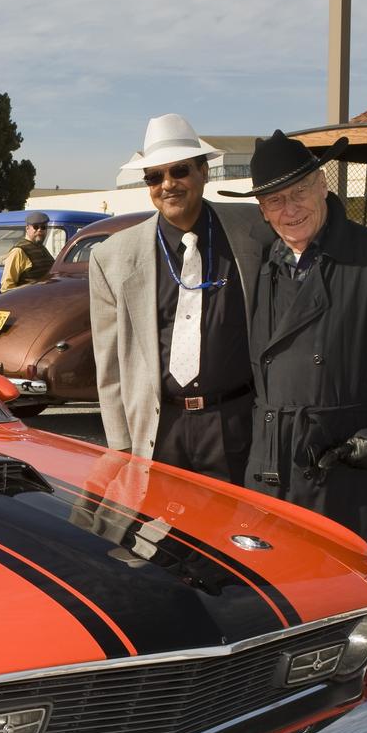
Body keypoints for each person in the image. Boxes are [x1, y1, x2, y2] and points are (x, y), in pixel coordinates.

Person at [220, 129, 367, 733]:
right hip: (273, 467)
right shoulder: (261, 264)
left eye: (295, 193)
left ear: (324, 185)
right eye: (271, 201)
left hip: (350, 466)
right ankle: (290, 731)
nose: (286, 209)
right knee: (282, 609)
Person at [89, 113, 272, 483]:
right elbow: (108, 366)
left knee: (233, 534)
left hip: (234, 424)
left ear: (204, 172)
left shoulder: (255, 231)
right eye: (155, 177)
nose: (168, 184)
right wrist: (121, 445)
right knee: (157, 538)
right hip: (160, 430)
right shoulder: (112, 257)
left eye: (180, 171)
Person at [0, 211, 55, 292]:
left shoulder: (42, 248)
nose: (40, 230)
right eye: (36, 227)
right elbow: (6, 287)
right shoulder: (19, 251)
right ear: (27, 228)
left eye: (43, 227)